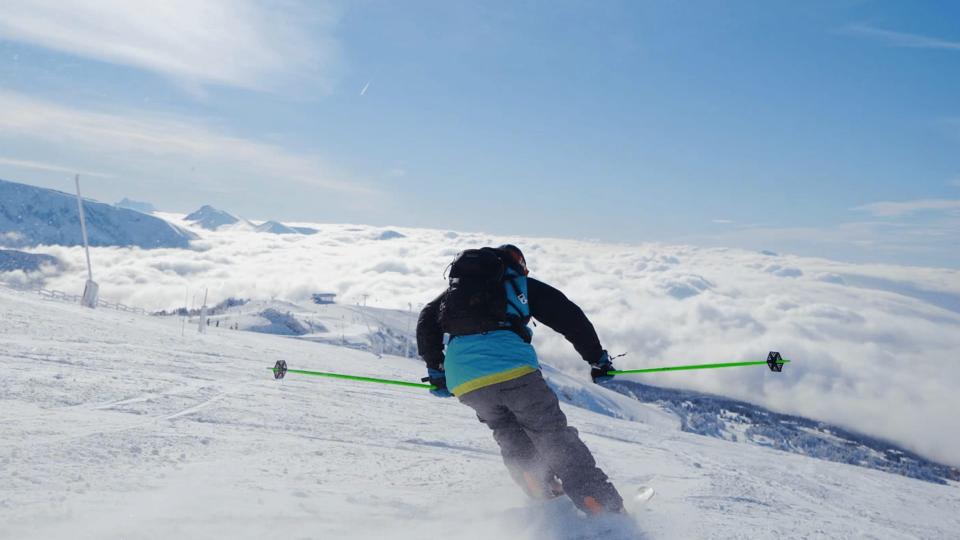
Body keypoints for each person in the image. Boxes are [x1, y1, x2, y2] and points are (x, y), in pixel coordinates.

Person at [416, 244, 624, 515]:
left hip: (465, 383)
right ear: (516, 265)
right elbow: (569, 317)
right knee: (553, 437)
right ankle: (602, 505)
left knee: (509, 434)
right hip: (514, 373)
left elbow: (425, 323)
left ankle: (543, 492)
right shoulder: (519, 285)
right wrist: (597, 360)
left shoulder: (452, 295)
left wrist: (437, 371)